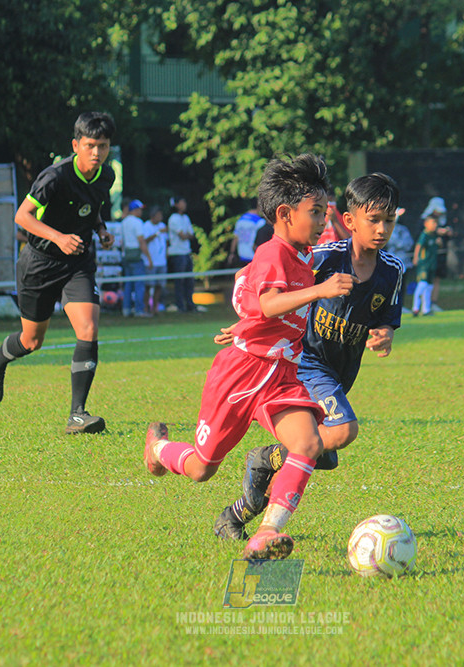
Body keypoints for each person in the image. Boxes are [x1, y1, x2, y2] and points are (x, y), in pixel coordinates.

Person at [142, 153, 355, 560]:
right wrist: (319, 291)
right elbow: (272, 301)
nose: (323, 222)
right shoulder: (273, 253)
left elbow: (250, 294)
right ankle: (158, 450)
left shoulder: (304, 254)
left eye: (325, 213)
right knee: (203, 469)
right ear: (284, 214)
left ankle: (266, 532)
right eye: (316, 213)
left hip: (280, 375)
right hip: (239, 377)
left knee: (308, 443)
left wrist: (245, 321)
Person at [211, 172, 403, 541]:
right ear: (348, 221)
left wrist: (384, 335)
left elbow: (386, 320)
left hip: (342, 370)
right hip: (305, 361)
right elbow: (260, 281)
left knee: (319, 454)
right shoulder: (323, 257)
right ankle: (269, 463)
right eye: (373, 220)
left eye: (389, 221)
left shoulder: (392, 272)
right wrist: (248, 321)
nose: (381, 229)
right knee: (342, 431)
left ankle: (239, 509)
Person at [0, 111, 117, 435]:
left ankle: (77, 415)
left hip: (78, 263)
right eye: (90, 145)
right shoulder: (54, 176)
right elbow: (22, 216)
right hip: (39, 263)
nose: (97, 153)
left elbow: (92, 207)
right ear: (76, 144)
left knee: (88, 328)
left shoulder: (107, 176)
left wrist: (100, 230)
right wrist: (57, 237)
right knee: (32, 340)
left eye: (103, 146)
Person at [166, 196, 196, 313]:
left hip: (186, 252)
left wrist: (186, 235)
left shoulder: (185, 218)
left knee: (189, 280)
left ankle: (190, 304)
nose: (185, 204)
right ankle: (180, 305)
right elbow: (183, 235)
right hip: (177, 253)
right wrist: (186, 235)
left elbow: (190, 235)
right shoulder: (173, 218)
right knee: (179, 281)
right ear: (177, 204)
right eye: (183, 202)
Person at [120, 199, 149, 317]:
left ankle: (126, 309)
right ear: (135, 210)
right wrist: (149, 258)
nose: (141, 212)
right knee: (139, 284)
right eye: (140, 209)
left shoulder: (124, 222)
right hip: (136, 256)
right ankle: (139, 310)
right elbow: (141, 241)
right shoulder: (138, 222)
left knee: (128, 284)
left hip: (126, 255)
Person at [411, 216, 439, 316]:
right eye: (432, 223)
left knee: (429, 287)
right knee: (422, 285)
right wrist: (415, 258)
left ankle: (426, 309)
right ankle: (415, 308)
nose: (434, 225)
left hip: (432, 265)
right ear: (426, 224)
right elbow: (418, 246)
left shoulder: (434, 236)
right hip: (424, 265)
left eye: (435, 223)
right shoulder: (424, 235)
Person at [143, 205, 167, 315]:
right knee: (148, 286)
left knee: (159, 286)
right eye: (158, 215)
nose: (160, 217)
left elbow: (166, 241)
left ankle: (155, 308)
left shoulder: (163, 225)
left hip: (161, 261)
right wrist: (157, 232)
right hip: (151, 262)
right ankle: (146, 308)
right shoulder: (146, 226)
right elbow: (145, 240)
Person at [228, 200, 265, 267]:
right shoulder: (260, 221)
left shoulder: (240, 220)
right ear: (258, 206)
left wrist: (232, 253)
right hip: (254, 255)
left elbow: (236, 238)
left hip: (242, 255)